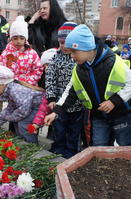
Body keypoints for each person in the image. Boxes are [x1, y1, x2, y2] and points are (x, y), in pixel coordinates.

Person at [45, 24, 131, 147]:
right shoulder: (79, 69)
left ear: (87, 48)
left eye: (74, 52)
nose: (71, 56)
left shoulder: (113, 61)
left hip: (120, 114)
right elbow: (69, 92)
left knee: (124, 144)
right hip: (98, 115)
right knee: (98, 145)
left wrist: (114, 101)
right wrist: (56, 112)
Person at [45, 22, 84, 158]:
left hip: (77, 105)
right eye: (61, 43)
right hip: (59, 105)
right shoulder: (56, 58)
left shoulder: (78, 58)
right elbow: (50, 79)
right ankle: (58, 149)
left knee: (74, 131)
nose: (64, 46)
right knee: (59, 129)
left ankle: (71, 152)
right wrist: (51, 98)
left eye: (67, 43)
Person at [0, 64, 43, 143]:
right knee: (17, 122)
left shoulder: (15, 90)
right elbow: (10, 109)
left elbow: (23, 110)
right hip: (30, 107)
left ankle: (31, 144)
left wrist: (9, 117)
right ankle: (21, 141)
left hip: (38, 107)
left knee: (24, 125)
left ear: (2, 85)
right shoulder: (9, 90)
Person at [0, 16, 44, 86]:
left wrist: (29, 82)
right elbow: (1, 70)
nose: (18, 41)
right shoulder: (6, 53)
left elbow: (38, 69)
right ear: (11, 38)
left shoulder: (32, 53)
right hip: (10, 87)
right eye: (15, 38)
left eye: (22, 38)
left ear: (25, 39)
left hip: (29, 87)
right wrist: (9, 83)